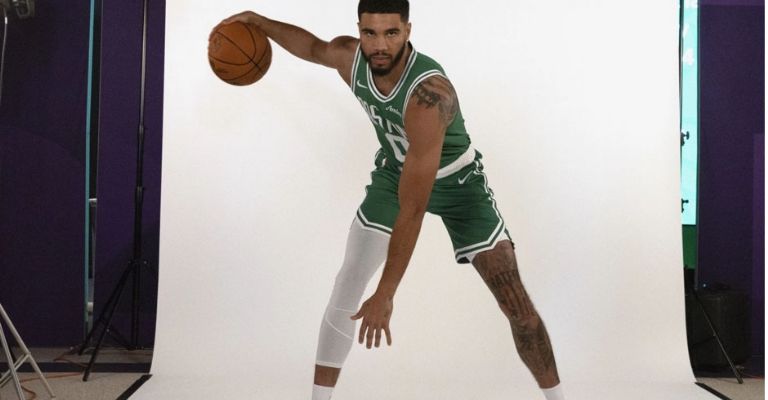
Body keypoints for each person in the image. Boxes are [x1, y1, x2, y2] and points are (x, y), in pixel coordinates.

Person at [218, 1, 564, 399]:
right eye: (370, 33)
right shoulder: (353, 59)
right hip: (395, 173)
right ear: (359, 31)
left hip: (459, 185)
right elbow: (312, 48)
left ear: (408, 30)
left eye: (391, 33)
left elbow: (413, 208)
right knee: (348, 282)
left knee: (517, 306)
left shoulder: (429, 96)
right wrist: (257, 21)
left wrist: (386, 293)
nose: (379, 45)